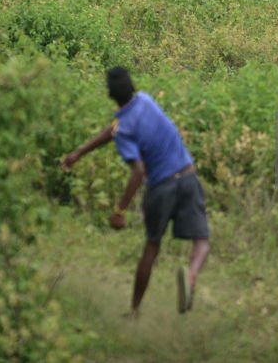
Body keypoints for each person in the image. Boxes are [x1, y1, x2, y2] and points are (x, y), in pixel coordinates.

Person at [62, 67, 210, 315]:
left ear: (110, 95)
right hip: (187, 176)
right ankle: (192, 275)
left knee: (152, 247)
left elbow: (138, 170)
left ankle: (134, 311)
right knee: (202, 240)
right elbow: (113, 129)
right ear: (132, 86)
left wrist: (120, 210)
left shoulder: (124, 128)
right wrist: (81, 152)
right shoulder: (146, 101)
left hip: (161, 188)